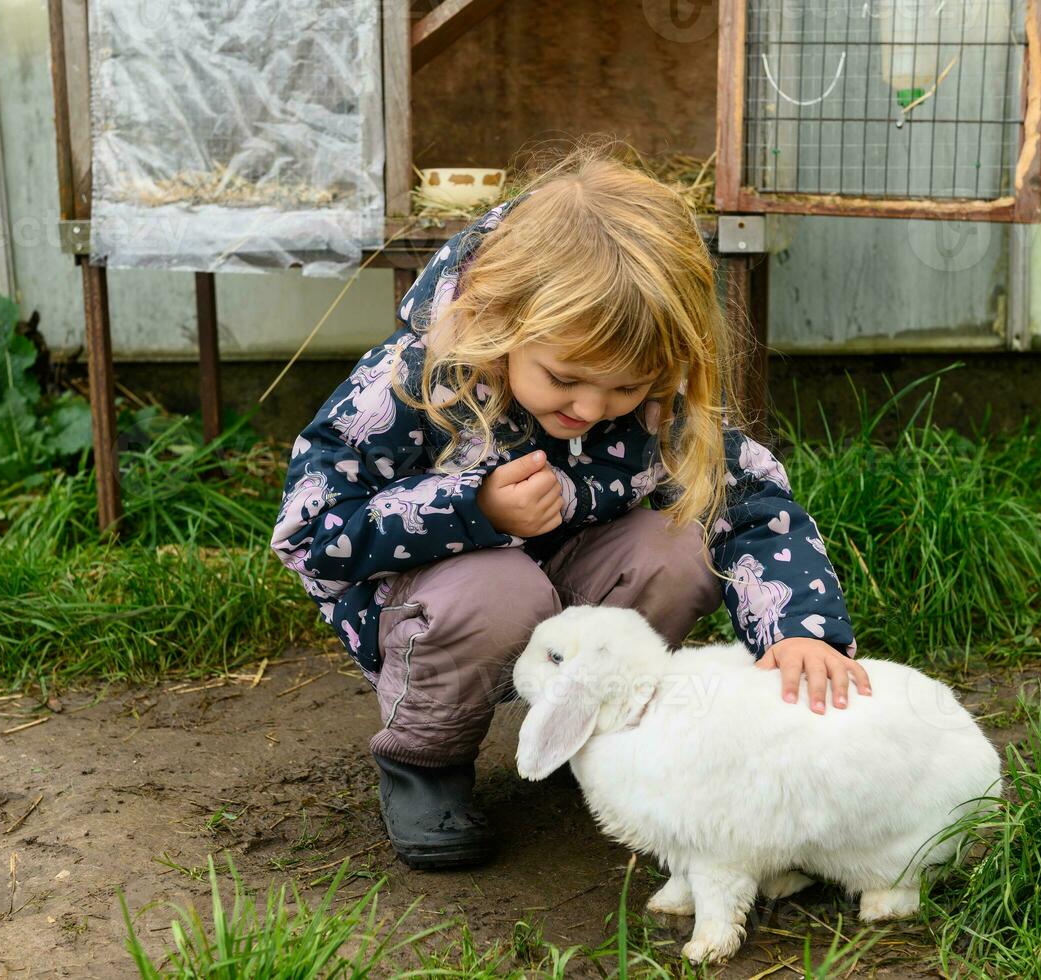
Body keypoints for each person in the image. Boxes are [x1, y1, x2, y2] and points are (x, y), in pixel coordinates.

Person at [271, 146, 869, 870]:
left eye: (626, 388)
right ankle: (426, 762)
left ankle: (593, 736)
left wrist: (799, 630)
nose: (593, 407)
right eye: (566, 378)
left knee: (676, 551)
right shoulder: (412, 384)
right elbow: (314, 527)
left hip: (576, 591)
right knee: (498, 589)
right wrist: (474, 508)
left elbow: (753, 509)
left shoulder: (656, 407)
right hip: (446, 602)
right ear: (502, 316)